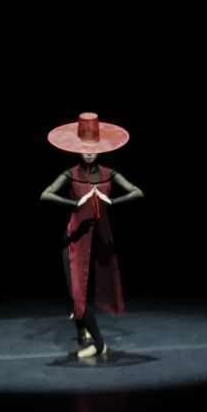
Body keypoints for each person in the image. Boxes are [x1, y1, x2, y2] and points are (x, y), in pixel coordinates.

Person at [41, 112, 143, 358]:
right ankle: (96, 342)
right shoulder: (71, 174)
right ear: (77, 149)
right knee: (75, 293)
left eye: (93, 148)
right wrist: (75, 203)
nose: (88, 153)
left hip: (99, 242)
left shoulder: (109, 173)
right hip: (75, 240)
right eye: (84, 148)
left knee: (87, 292)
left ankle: (86, 332)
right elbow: (45, 194)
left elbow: (137, 191)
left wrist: (112, 200)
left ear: (100, 148)